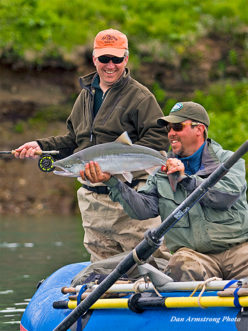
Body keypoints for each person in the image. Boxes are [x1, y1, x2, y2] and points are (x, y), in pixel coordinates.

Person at [14, 28, 170, 263]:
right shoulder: (85, 96)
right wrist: (39, 145)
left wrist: (123, 157)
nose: (110, 65)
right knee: (101, 271)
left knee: (151, 265)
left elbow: (158, 138)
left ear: (126, 59)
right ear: (94, 58)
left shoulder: (141, 97)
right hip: (92, 204)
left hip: (132, 201)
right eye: (104, 59)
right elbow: (73, 140)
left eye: (116, 59)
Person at [81, 101, 248, 281]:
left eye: (177, 127)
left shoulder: (230, 160)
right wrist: (112, 182)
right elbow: (142, 210)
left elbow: (225, 197)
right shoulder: (161, 171)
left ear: (199, 129)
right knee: (180, 265)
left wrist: (185, 180)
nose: (171, 134)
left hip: (238, 251)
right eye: (168, 129)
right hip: (194, 256)